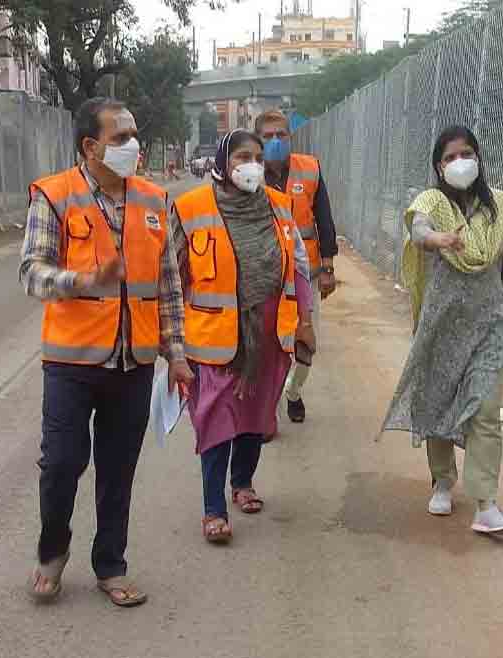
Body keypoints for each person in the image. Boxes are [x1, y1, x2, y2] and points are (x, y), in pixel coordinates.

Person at [19, 97, 194, 606]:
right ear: (90, 147)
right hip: (71, 364)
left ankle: (110, 566)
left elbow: (168, 289)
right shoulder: (55, 196)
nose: (132, 146)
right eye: (120, 138)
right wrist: (83, 280)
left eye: (134, 135)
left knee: (119, 471)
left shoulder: (155, 201)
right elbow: (32, 272)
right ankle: (52, 552)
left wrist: (176, 352)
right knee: (61, 464)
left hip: (133, 365)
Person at [170, 129, 316, 544]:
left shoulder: (279, 207)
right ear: (221, 163)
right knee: (216, 417)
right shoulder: (191, 208)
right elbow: (173, 277)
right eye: (241, 157)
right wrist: (172, 344)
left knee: (256, 412)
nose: (251, 164)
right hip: (214, 331)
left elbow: (298, 266)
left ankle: (243, 483)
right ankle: (213, 508)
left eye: (256, 157)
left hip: (269, 328)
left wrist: (304, 319)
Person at [381, 125, 503, 536]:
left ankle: (486, 504)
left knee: (484, 411)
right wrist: (435, 239)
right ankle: (442, 480)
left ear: (478, 158)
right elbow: (417, 228)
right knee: (439, 401)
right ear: (438, 166)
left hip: (487, 326)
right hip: (442, 325)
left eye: (466, 153)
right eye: (449, 157)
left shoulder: (498, 207)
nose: (458, 162)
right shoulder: (432, 201)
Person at [255, 110, 337, 424]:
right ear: (258, 140)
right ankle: (266, 409)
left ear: (291, 137)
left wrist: (328, 269)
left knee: (305, 342)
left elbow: (325, 220)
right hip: (264, 275)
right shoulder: (249, 172)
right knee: (266, 344)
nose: (276, 141)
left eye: (281, 135)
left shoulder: (310, 169)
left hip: (306, 274)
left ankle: (293, 392)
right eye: (268, 136)